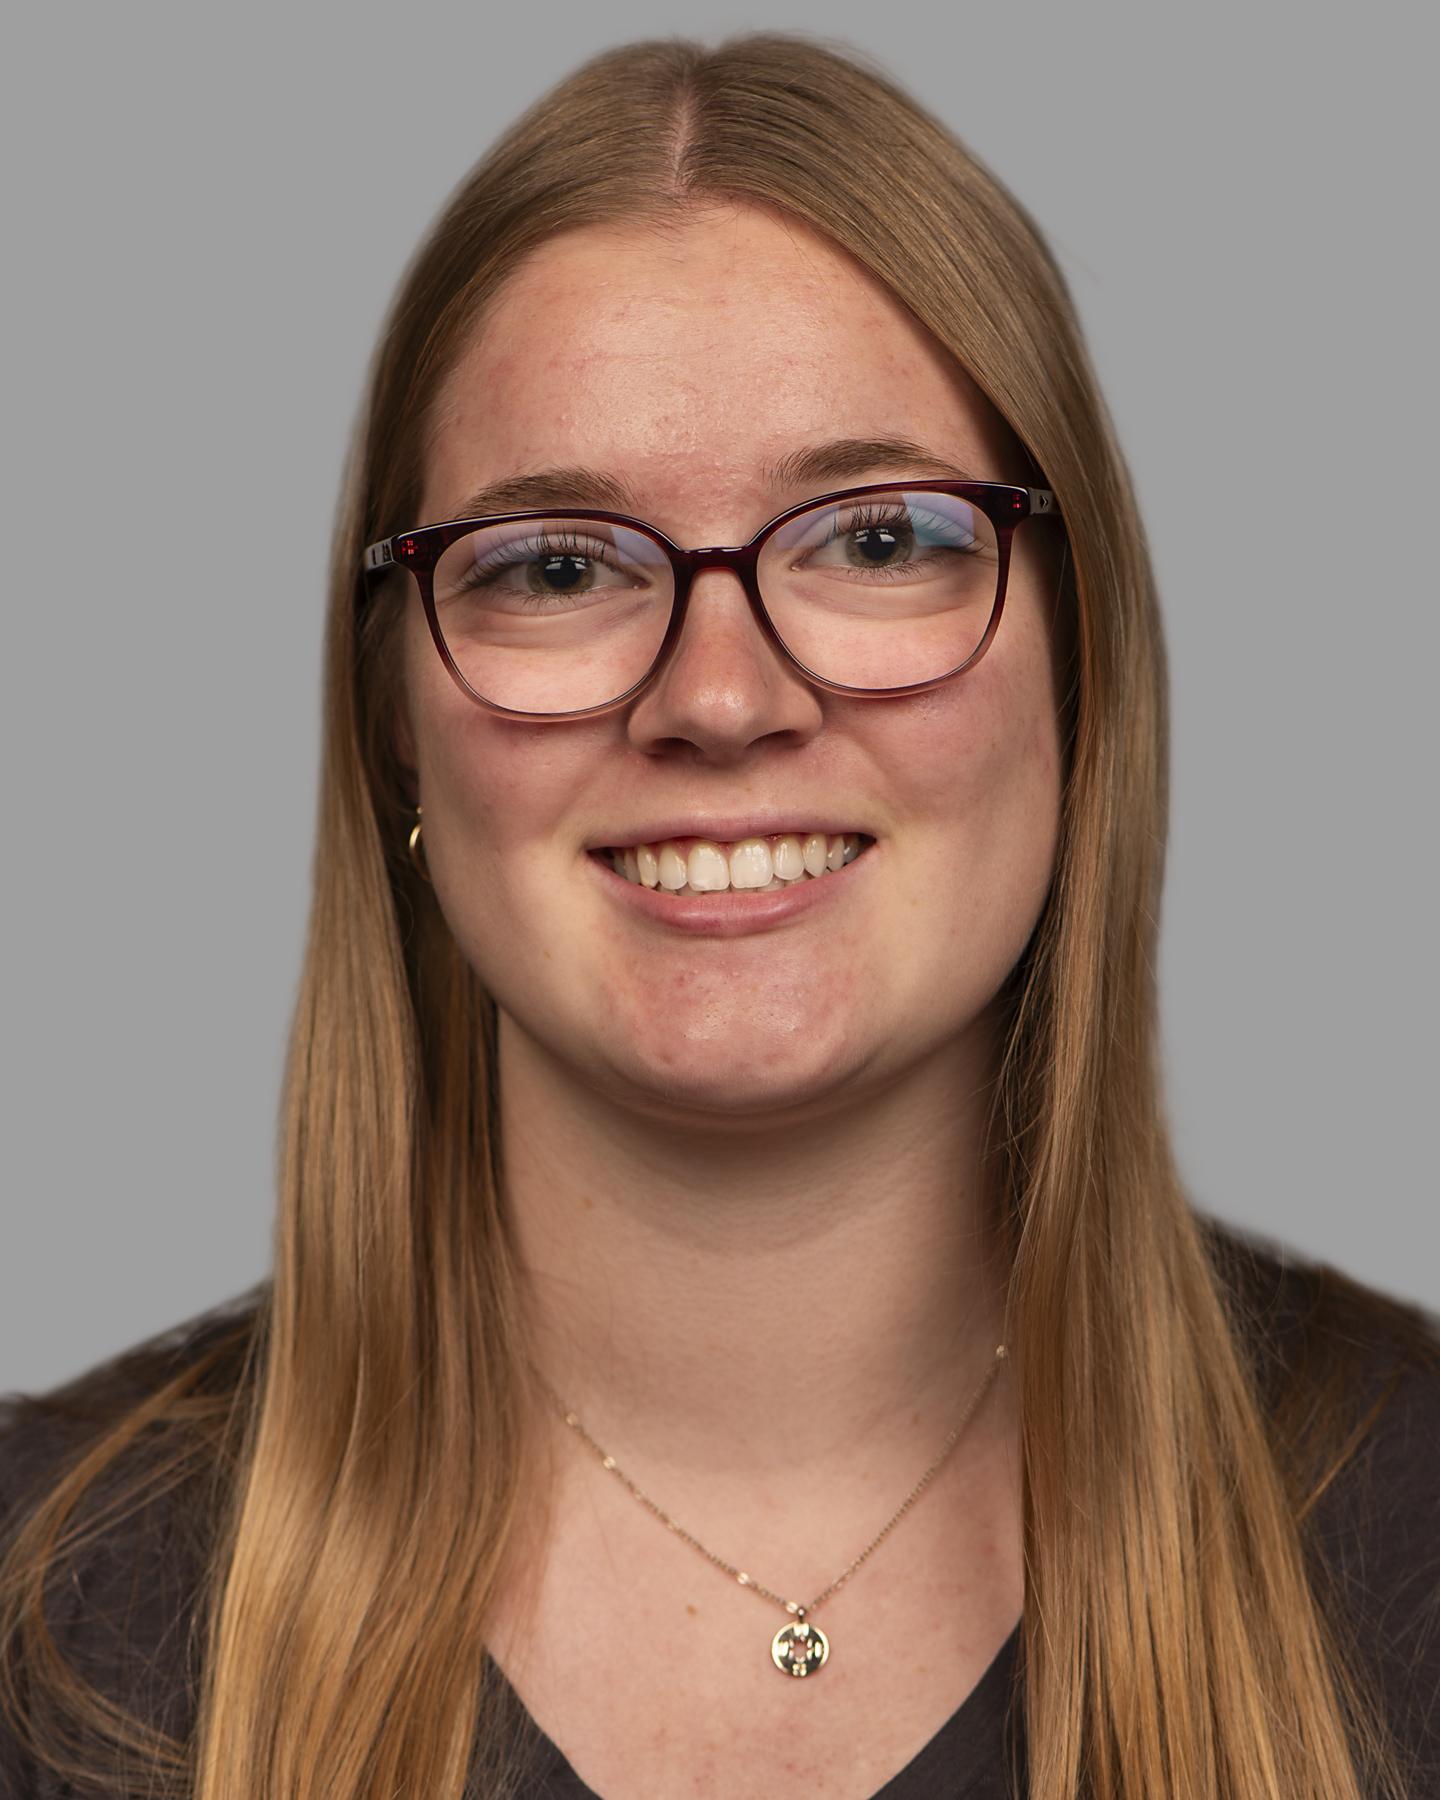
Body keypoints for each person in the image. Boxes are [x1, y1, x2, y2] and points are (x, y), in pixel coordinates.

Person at [1, 31, 1436, 1800]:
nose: (723, 695)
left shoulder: (1417, 1531)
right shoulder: (37, 1619)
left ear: (1088, 668)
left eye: (883, 539)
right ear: (395, 726)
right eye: (556, 567)